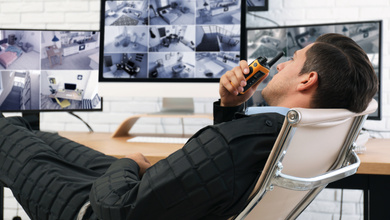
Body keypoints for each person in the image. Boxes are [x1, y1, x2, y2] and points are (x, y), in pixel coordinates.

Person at [0, 33, 378, 220]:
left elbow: (119, 208)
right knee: (42, 138)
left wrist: (129, 162)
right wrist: (231, 107)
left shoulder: (241, 143)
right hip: (149, 197)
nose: (279, 66)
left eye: (292, 61)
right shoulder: (290, 137)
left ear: (306, 80)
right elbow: (219, 173)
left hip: (99, 210)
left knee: (6, 135)